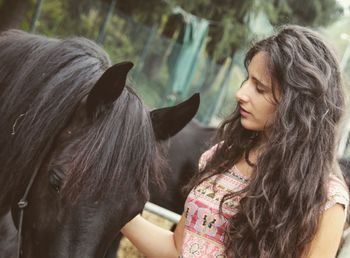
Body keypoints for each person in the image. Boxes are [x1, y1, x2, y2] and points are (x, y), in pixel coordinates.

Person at [121, 24, 350, 258]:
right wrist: (115, 207)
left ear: (297, 106)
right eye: (247, 80)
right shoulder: (219, 157)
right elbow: (178, 249)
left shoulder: (326, 199)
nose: (240, 94)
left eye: (259, 88)